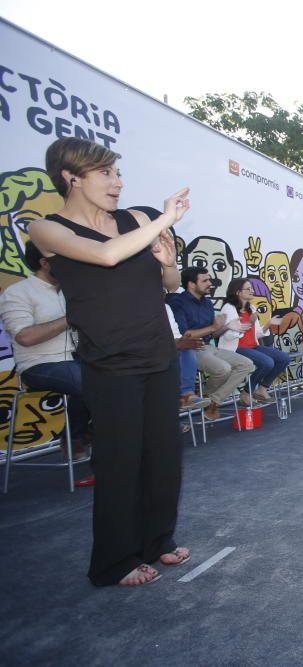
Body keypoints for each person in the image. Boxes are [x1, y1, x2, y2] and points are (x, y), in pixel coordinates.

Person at [28, 137, 189, 586]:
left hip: (157, 351)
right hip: (108, 361)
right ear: (70, 177)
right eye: (106, 174)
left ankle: (158, 541)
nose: (117, 183)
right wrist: (166, 219)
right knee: (120, 461)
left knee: (164, 456)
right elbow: (105, 255)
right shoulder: (47, 229)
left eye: (118, 173)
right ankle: (114, 562)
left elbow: (168, 284)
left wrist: (169, 261)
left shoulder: (136, 219)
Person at [0, 241, 91, 459]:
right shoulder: (17, 293)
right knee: (90, 380)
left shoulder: (69, 291)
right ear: (44, 263)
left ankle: (86, 434)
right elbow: (25, 337)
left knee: (118, 371)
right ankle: (79, 437)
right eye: (64, 259)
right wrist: (69, 319)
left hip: (78, 359)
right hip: (39, 364)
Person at [168, 267, 256, 416]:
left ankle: (212, 400)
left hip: (209, 347)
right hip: (190, 349)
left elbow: (214, 333)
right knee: (223, 369)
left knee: (247, 365)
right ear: (191, 284)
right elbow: (185, 336)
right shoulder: (177, 302)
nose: (210, 283)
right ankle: (207, 400)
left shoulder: (207, 303)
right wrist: (213, 327)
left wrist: (225, 327)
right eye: (205, 280)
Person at [219, 278, 290, 402]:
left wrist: (268, 324)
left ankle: (262, 389)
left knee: (284, 358)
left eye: (252, 288)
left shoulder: (251, 308)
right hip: (234, 348)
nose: (252, 291)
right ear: (237, 292)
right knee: (267, 363)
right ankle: (247, 392)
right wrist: (246, 324)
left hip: (252, 346)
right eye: (248, 289)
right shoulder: (229, 308)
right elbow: (227, 336)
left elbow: (257, 333)